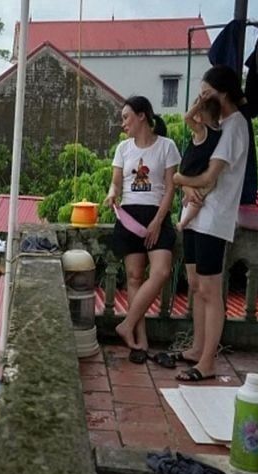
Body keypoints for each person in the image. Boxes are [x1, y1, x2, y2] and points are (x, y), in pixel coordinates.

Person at [170, 65, 250, 382]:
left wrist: (177, 178)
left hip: (214, 218)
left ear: (223, 93)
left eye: (207, 91)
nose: (203, 97)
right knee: (195, 286)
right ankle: (196, 348)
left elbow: (209, 176)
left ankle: (207, 362)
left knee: (209, 290)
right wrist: (186, 186)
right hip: (196, 215)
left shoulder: (235, 127)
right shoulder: (216, 124)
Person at [103, 96, 182, 365]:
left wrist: (159, 221)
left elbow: (171, 187)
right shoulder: (123, 149)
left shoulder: (167, 146)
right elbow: (116, 183)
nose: (123, 123)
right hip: (129, 215)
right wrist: (112, 195)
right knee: (134, 277)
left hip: (156, 214)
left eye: (126, 117)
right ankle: (140, 342)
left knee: (160, 271)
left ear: (142, 116)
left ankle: (126, 324)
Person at [176, 95, 224, 232]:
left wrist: (198, 104)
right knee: (194, 197)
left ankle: (184, 223)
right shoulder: (219, 131)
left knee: (196, 201)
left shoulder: (202, 130)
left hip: (194, 172)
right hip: (197, 171)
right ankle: (186, 198)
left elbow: (186, 118)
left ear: (200, 114)